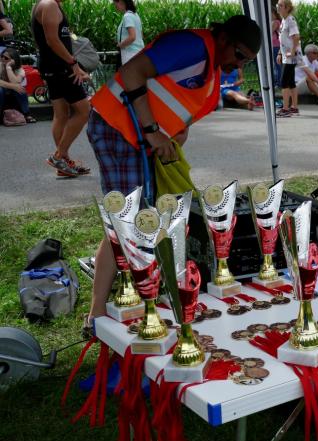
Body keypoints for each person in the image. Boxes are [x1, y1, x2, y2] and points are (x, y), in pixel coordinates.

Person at [84, 14, 261, 334]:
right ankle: (98, 317)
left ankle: (131, 301)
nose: (239, 65)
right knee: (126, 220)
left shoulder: (211, 63)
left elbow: (178, 105)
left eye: (247, 61)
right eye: (239, 55)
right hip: (118, 128)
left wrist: (175, 133)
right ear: (223, 38)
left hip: (136, 138)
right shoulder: (192, 46)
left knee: (131, 219)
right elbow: (132, 72)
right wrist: (153, 131)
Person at [32, 0, 91, 178]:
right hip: (60, 67)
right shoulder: (49, 4)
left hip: (54, 66)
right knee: (84, 110)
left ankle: (63, 162)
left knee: (61, 114)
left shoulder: (49, 4)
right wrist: (73, 63)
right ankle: (58, 156)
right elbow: (52, 40)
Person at [276, 0, 301, 117]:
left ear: (287, 8)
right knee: (290, 82)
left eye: (281, 5)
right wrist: (280, 53)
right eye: (278, 5)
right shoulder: (284, 20)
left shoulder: (290, 20)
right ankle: (294, 107)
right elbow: (283, 40)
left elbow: (296, 37)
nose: (278, 7)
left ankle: (285, 109)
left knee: (284, 82)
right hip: (286, 55)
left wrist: (292, 52)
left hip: (291, 56)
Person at [0, 47, 35, 123]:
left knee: (21, 90)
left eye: (6, 58)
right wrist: (12, 86)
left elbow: (16, 83)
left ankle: (26, 114)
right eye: (1, 56)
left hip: (13, 93)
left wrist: (8, 68)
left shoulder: (20, 70)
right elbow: (14, 85)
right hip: (2, 92)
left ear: (13, 60)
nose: (2, 59)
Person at [114, 0, 143, 65]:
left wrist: (120, 45)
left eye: (115, 5)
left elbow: (132, 37)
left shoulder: (127, 16)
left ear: (121, 2)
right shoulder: (136, 15)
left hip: (130, 54)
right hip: (139, 52)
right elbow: (141, 36)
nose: (115, 7)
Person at [271, 8, 281, 88]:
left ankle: (279, 83)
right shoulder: (273, 22)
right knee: (275, 65)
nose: (270, 15)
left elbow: (269, 31)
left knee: (277, 65)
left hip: (276, 46)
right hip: (273, 46)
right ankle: (276, 82)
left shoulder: (276, 22)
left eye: (271, 13)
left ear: (275, 14)